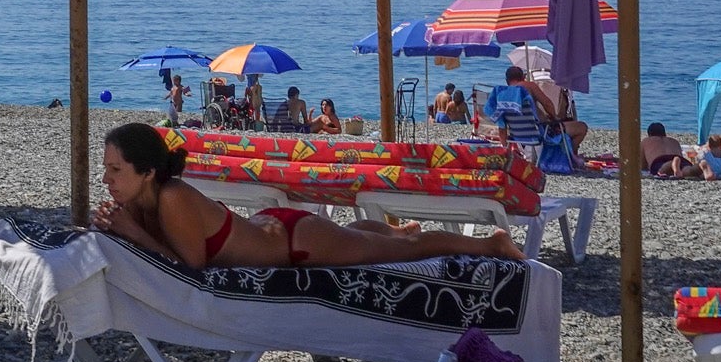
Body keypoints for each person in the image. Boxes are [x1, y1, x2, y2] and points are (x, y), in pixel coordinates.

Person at [92, 123, 522, 268]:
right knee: (371, 239)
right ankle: (387, 229)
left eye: (116, 170)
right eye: (106, 169)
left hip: (298, 245)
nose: (107, 178)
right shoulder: (139, 199)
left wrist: (132, 231)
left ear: (147, 172)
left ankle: (491, 243)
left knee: (405, 249)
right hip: (276, 230)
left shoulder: (172, 196)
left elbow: (190, 267)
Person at [483, 67, 556, 144]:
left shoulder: (502, 96)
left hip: (517, 138)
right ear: (523, 77)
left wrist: (504, 146)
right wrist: (554, 118)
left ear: (507, 80)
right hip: (538, 134)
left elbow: (502, 127)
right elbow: (547, 104)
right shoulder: (530, 86)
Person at [527, 70, 590, 149]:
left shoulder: (517, 99)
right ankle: (570, 155)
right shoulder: (536, 87)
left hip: (523, 134)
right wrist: (554, 117)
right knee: (582, 127)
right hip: (545, 130)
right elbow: (551, 107)